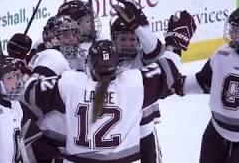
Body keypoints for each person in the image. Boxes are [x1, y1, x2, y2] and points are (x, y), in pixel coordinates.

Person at [29, 39, 184, 162]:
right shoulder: (134, 84)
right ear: (117, 64)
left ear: (90, 64)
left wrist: (37, 63)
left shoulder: (70, 84)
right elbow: (170, 69)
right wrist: (175, 42)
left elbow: (31, 93)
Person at [110, 0, 197, 163]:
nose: (128, 43)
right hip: (116, 130)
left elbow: (156, 50)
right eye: (122, 39)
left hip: (144, 128)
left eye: (132, 39)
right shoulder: (103, 62)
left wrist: (139, 26)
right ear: (113, 39)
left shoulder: (143, 58)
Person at [175, 8, 239, 163]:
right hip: (216, 131)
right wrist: (178, 85)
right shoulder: (221, 55)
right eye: (234, 30)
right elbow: (204, 81)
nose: (233, 35)